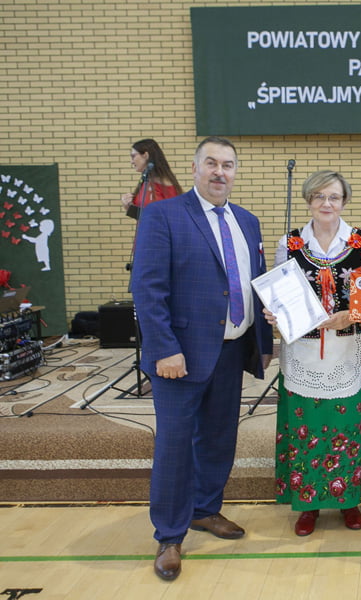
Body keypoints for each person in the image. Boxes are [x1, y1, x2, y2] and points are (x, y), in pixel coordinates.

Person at [131, 136, 273, 581]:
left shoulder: (247, 221)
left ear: (235, 172)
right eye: (211, 163)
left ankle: (205, 509)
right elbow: (147, 288)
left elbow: (251, 281)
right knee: (175, 446)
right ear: (195, 168)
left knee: (217, 439)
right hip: (181, 356)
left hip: (231, 350)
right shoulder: (163, 215)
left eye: (227, 165)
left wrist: (266, 329)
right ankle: (169, 535)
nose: (219, 172)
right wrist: (163, 349)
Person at [268, 170, 361, 537]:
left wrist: (352, 314)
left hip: (349, 348)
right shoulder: (289, 243)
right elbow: (279, 294)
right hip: (303, 351)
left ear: (344, 202)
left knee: (348, 426)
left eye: (334, 197)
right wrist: (274, 312)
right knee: (306, 427)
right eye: (319, 196)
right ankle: (308, 502)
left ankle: (349, 499)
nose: (326, 203)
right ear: (309, 200)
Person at [120, 138, 183, 219]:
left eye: (133, 156)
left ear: (146, 155)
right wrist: (129, 206)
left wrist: (130, 209)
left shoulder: (164, 184)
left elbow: (173, 216)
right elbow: (145, 215)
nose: (131, 161)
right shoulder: (146, 180)